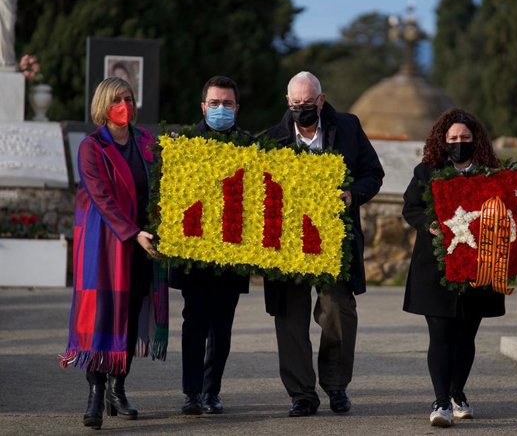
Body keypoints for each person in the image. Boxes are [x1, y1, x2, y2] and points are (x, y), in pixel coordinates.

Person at [263, 71, 384, 417]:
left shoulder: (347, 127)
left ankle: (336, 386)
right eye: (296, 103)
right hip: (287, 245)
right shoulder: (271, 139)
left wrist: (351, 194)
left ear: (321, 100)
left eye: (308, 102)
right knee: (290, 317)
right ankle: (301, 393)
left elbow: (373, 174)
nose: (302, 107)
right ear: (288, 102)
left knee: (338, 312)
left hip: (335, 241)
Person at [60, 77, 167, 430]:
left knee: (132, 315)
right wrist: (132, 232)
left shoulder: (148, 143)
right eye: (117, 99)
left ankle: (118, 390)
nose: (125, 105)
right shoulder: (92, 147)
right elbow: (101, 197)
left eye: (129, 98)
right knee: (102, 315)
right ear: (103, 105)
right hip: (105, 247)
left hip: (142, 244)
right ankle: (95, 392)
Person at [402, 107, 505, 428]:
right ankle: (441, 401)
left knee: (466, 336)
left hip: (480, 267)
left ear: (476, 140)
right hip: (435, 268)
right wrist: (429, 224)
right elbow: (411, 208)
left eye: (465, 137)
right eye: (453, 138)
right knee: (441, 334)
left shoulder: (491, 174)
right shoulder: (426, 172)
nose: (459, 142)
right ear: (442, 141)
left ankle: (458, 392)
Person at [169, 75, 251, 415]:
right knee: (195, 324)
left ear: (237, 108)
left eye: (227, 104)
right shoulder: (185, 143)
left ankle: (211, 391)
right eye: (214, 103)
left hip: (232, 254)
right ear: (203, 107)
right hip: (196, 255)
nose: (221, 109)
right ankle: (191, 393)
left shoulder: (250, 146)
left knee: (222, 327)